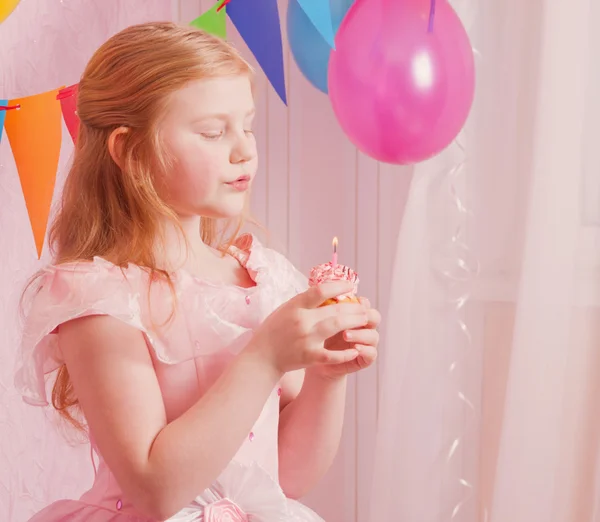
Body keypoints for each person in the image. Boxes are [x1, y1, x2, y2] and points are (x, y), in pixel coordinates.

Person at [15, 22, 381, 521]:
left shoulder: (262, 278)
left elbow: (284, 479)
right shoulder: (99, 297)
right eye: (213, 132)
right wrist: (266, 356)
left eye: (247, 125)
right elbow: (154, 490)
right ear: (128, 150)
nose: (243, 149)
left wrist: (325, 376)